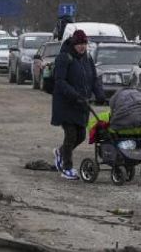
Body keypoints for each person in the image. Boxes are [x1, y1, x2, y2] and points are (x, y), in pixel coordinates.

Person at [51, 30, 105, 180]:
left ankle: (60, 152)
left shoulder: (87, 59)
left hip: (82, 104)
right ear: (74, 44)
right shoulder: (64, 57)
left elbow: (94, 79)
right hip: (66, 103)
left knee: (81, 135)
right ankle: (66, 168)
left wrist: (99, 94)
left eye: (84, 44)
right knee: (71, 134)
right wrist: (75, 95)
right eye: (79, 44)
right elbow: (60, 81)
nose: (82, 47)